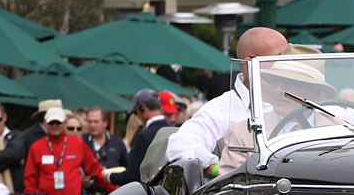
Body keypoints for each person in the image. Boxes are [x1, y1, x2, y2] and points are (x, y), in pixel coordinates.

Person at [166, 27, 289, 177]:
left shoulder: (301, 104)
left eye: (289, 59)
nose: (287, 65)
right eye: (279, 58)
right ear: (249, 64)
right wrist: (221, 169)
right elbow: (180, 145)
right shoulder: (220, 109)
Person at [218, 61, 338, 174]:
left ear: (315, 93)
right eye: (275, 81)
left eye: (290, 83)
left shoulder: (341, 131)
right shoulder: (244, 132)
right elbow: (232, 187)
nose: (278, 90)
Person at [23, 106, 111, 195]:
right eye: (51, 123)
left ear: (65, 123)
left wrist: (112, 188)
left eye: (58, 122)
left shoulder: (77, 144)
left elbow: (95, 170)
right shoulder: (36, 147)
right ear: (45, 124)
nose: (55, 125)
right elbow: (30, 180)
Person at [0, 99, 62, 194]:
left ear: (5, 117)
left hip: (18, 191)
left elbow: (15, 154)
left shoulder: (18, 136)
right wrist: (11, 161)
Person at [106, 89, 173, 186]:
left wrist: (110, 177)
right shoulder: (173, 131)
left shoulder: (144, 137)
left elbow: (132, 176)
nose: (137, 116)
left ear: (142, 108)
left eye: (136, 112)